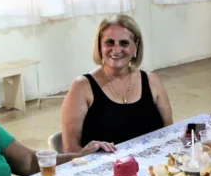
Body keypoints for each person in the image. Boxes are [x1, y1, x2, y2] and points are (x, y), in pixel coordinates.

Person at [60, 14, 173, 153]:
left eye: (124, 43)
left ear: (135, 47)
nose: (116, 49)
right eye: (109, 42)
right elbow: (70, 149)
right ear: (99, 46)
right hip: (104, 172)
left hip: (152, 170)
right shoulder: (82, 87)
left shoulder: (152, 81)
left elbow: (169, 133)